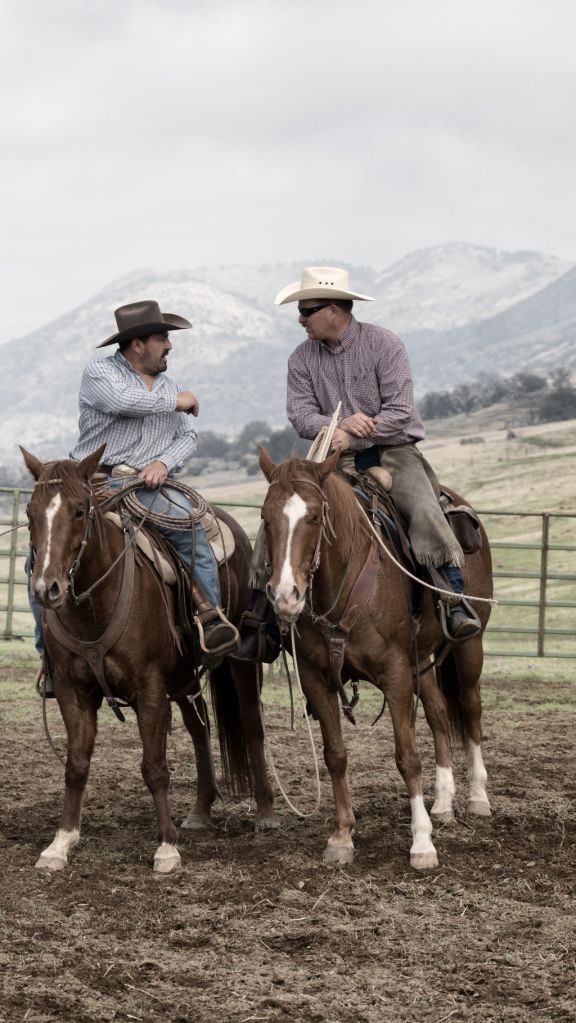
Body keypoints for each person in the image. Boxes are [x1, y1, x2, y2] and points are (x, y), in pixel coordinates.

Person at [237, 266, 480, 652]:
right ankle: (260, 620)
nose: (300, 320)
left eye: (307, 310)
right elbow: (300, 415)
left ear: (334, 310)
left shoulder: (385, 345)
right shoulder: (301, 360)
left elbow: (400, 410)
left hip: (392, 450)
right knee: (282, 513)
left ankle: (452, 598)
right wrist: (336, 428)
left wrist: (353, 431)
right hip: (330, 456)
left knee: (421, 505)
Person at [30, 300, 238, 694]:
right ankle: (51, 656)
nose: (169, 346)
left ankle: (210, 622)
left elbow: (188, 435)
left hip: (148, 485)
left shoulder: (168, 384)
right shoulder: (101, 374)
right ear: (137, 344)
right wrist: (178, 402)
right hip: (93, 482)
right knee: (40, 554)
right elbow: (123, 403)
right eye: (162, 339)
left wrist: (162, 462)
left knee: (191, 532)